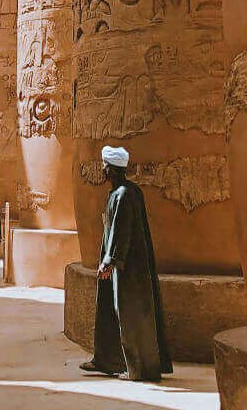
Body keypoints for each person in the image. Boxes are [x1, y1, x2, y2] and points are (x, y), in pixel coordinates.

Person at [80, 146, 172, 381]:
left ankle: (141, 368)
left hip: (128, 268)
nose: (102, 169)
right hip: (120, 265)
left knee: (131, 315)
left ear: (110, 170)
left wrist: (110, 261)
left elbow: (123, 231)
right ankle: (107, 360)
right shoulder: (123, 193)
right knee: (109, 312)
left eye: (104, 166)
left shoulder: (124, 195)